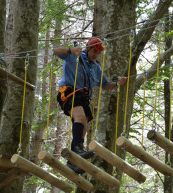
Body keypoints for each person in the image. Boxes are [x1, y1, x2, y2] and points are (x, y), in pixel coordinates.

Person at [53, 38, 127, 173]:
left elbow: (105, 85)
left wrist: (117, 83)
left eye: (98, 53)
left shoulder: (96, 67)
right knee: (80, 117)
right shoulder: (74, 56)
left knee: (84, 127)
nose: (95, 55)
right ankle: (76, 149)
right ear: (87, 48)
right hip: (68, 91)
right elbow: (56, 51)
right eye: (94, 51)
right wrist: (70, 50)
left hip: (83, 97)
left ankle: (73, 160)